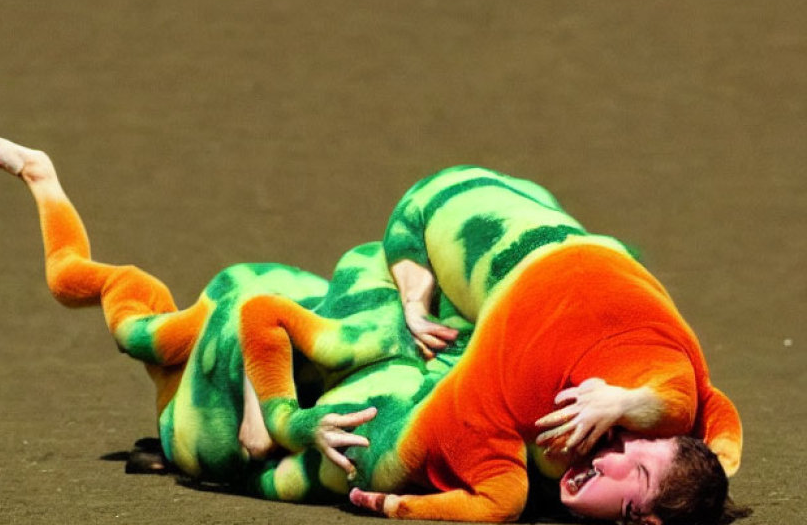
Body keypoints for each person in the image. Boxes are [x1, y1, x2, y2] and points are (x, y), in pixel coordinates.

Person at [0, 138, 744, 523]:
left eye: (630, 465)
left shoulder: (532, 447)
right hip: (246, 324)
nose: (605, 446)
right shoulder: (374, 345)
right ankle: (44, 177)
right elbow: (258, 318)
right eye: (625, 450)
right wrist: (279, 418)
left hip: (279, 343)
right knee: (130, 318)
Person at [239, 165, 745, 522]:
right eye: (632, 454)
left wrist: (399, 505)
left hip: (546, 288)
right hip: (518, 257)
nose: (614, 451)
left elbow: (704, 424)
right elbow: (682, 399)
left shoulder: (610, 445)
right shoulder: (448, 213)